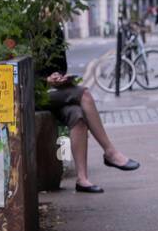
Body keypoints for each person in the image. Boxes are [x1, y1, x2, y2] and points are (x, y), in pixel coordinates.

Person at [36, 25, 140, 193]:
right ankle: (110, 152)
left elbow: (61, 64)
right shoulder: (26, 29)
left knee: (78, 116)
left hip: (53, 92)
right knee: (84, 94)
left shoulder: (55, 30)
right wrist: (44, 80)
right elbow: (22, 72)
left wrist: (57, 75)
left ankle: (82, 179)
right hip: (34, 94)